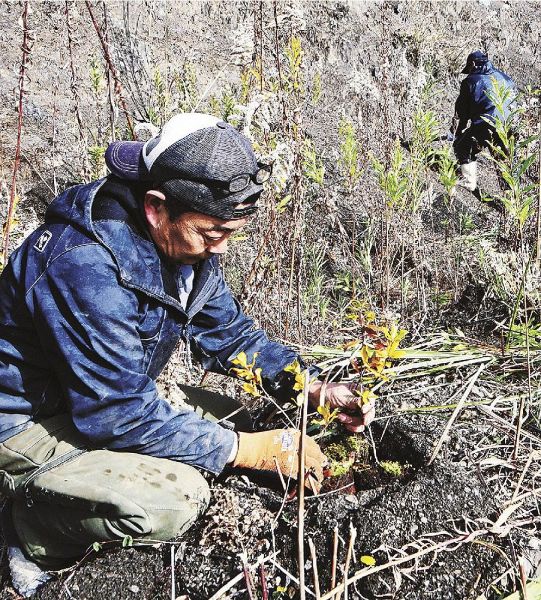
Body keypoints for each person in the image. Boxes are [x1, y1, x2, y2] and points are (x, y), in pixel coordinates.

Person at [0, 113, 375, 596]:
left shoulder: (184, 248)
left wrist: (313, 386)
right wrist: (249, 451)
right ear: (157, 208)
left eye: (229, 233)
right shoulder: (83, 265)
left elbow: (233, 337)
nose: (219, 248)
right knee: (174, 501)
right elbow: (117, 413)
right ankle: (32, 532)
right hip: (22, 425)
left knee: (250, 417)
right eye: (211, 232)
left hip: (93, 403)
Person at [452, 50, 516, 196]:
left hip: (487, 123)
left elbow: (462, 111)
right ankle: (511, 200)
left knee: (463, 147)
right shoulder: (504, 77)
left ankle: (469, 182)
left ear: (473, 64)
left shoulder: (471, 81)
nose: (469, 72)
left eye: (468, 69)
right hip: (510, 124)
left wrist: (459, 131)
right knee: (504, 160)